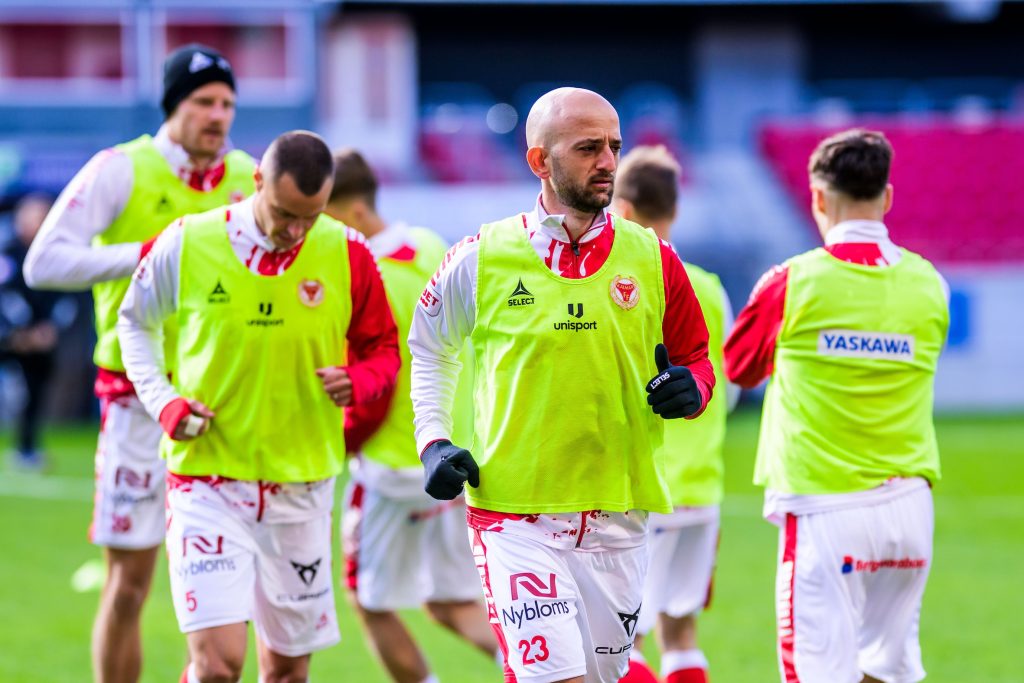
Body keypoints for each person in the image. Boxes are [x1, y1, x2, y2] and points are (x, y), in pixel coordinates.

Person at [408, 87, 716, 683]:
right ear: (539, 161)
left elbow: (696, 358)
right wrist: (433, 441)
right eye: (588, 148)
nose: (608, 161)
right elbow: (430, 349)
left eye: (614, 146)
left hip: (619, 517)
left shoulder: (654, 258)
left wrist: (692, 389)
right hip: (513, 517)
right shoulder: (480, 256)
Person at [117, 130, 400, 683]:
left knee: (288, 670)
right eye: (285, 214)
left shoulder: (348, 251)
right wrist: (163, 401)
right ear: (256, 182)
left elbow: (384, 349)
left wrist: (360, 380)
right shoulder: (188, 240)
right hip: (208, 481)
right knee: (218, 666)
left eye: (310, 218)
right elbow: (134, 324)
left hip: (302, 485)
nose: (295, 231)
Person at [23, 44, 255, 683]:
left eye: (227, 103)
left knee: (229, 590)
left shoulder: (247, 174)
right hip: (135, 401)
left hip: (223, 402)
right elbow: (43, 263)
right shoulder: (121, 168)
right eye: (204, 102)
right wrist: (150, 254)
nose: (218, 115)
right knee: (128, 585)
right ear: (173, 105)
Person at [724, 129, 948, 683]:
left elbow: (739, 369)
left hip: (826, 506)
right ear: (887, 197)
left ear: (818, 199)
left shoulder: (792, 282)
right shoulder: (930, 283)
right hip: (910, 509)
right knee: (885, 672)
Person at [325, 148, 497, 683]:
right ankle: (548, 671)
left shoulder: (362, 274)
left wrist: (343, 442)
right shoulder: (429, 246)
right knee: (449, 602)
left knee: (369, 601)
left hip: (391, 466)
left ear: (354, 212)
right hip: (450, 456)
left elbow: (375, 385)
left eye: (324, 217)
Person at [610, 146, 738, 683]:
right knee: (681, 633)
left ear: (624, 209)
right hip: (702, 487)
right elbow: (727, 386)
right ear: (675, 210)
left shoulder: (625, 284)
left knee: (623, 639)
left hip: (645, 487)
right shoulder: (709, 287)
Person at [0, 193, 76, 470]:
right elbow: (6, 295)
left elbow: (66, 297)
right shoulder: (7, 251)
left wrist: (48, 329)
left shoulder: (57, 255)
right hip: (8, 336)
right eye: (32, 216)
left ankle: (27, 448)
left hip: (40, 340)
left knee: (35, 390)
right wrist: (19, 330)